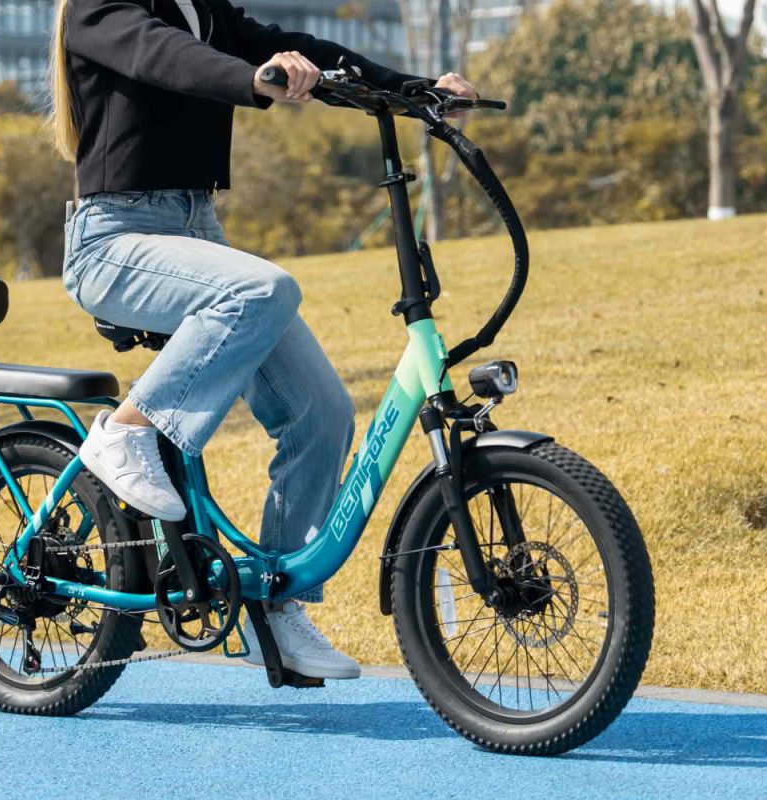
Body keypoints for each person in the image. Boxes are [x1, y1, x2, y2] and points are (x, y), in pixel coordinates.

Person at [49, 0, 477, 679]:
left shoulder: (207, 9)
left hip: (195, 229)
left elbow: (299, 43)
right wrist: (255, 79)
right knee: (263, 288)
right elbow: (168, 57)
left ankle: (280, 609)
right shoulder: (101, 9)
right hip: (115, 240)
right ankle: (127, 432)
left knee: (325, 412)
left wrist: (412, 89)